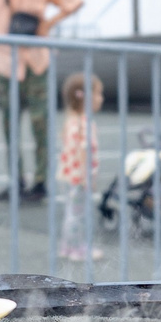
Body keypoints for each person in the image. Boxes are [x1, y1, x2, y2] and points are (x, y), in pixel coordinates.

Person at [0, 0, 84, 201]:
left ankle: (40, 181)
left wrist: (47, 25)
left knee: (41, 124)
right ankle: (16, 181)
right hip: (6, 63)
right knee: (9, 125)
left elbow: (74, 1)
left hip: (36, 62)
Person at [55, 72, 102, 260]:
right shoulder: (84, 123)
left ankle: (67, 246)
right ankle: (77, 248)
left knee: (71, 212)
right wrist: (88, 177)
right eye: (98, 94)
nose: (101, 98)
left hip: (68, 175)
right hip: (79, 177)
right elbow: (84, 150)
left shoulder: (72, 120)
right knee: (77, 215)